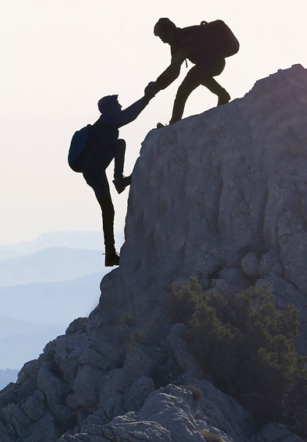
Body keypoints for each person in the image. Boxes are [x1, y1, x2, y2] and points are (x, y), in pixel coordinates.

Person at [81, 81, 158, 266]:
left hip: (94, 170)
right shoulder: (107, 122)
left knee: (119, 144)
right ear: (110, 109)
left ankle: (118, 180)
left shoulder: (105, 123)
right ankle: (109, 253)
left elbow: (126, 114)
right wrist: (148, 96)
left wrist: (148, 97)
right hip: (94, 172)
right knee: (108, 211)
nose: (120, 106)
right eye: (117, 105)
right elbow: (130, 115)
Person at [152, 17, 237, 126]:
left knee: (197, 75)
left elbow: (175, 66)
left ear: (169, 31)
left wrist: (158, 84)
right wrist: (158, 85)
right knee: (183, 90)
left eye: (162, 36)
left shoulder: (184, 38)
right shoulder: (176, 45)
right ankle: (174, 123)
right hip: (204, 65)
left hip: (216, 62)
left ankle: (222, 94)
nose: (163, 41)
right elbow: (174, 70)